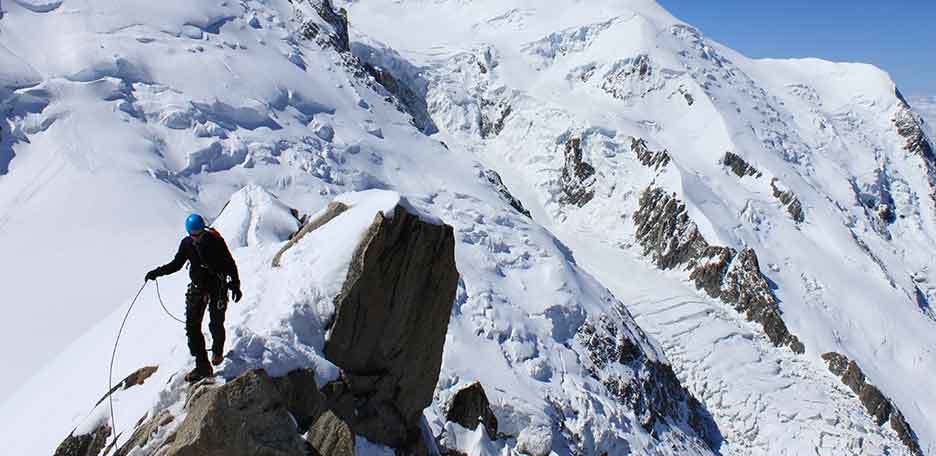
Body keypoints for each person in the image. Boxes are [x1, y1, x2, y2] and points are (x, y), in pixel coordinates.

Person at [145, 214, 243, 382]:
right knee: (192, 328)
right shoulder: (187, 244)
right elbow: (177, 264)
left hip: (217, 287)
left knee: (216, 323)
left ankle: (217, 351)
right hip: (198, 288)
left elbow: (229, 262)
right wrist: (157, 272)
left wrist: (235, 284)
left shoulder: (215, 241)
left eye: (199, 234)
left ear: (203, 230)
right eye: (193, 234)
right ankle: (203, 366)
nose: (196, 237)